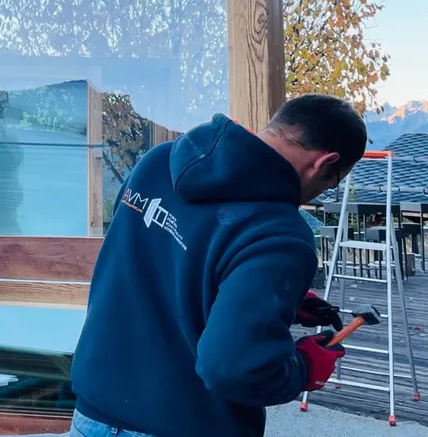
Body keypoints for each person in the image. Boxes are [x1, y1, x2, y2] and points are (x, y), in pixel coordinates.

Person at [70, 94, 367, 437]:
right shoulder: (281, 233)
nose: (324, 189)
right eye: (334, 180)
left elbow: (162, 260)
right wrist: (303, 369)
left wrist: (275, 296)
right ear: (324, 162)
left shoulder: (159, 162)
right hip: (186, 424)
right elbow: (232, 367)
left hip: (92, 414)